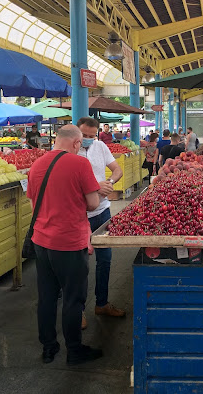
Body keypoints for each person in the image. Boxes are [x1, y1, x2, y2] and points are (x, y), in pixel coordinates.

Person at [27, 125, 102, 365]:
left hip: (41, 241)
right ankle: (75, 350)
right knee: (73, 298)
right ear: (77, 143)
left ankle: (49, 348)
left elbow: (32, 206)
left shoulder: (36, 165)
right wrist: (103, 193)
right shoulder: (80, 164)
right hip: (69, 241)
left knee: (47, 297)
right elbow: (92, 204)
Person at [76, 117, 125, 329]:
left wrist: (110, 183)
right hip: (79, 216)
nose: (87, 140)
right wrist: (95, 187)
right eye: (83, 135)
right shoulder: (70, 151)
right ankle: (77, 311)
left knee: (105, 259)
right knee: (79, 266)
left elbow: (117, 170)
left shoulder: (101, 146)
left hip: (102, 212)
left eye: (90, 136)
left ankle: (102, 303)